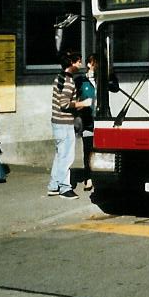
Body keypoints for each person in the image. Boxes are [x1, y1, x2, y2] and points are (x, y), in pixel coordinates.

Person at [48, 50, 84, 200]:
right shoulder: (69, 82)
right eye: (79, 61)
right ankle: (64, 188)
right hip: (65, 123)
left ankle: (53, 186)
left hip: (57, 122)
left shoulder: (60, 77)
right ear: (72, 63)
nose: (80, 64)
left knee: (59, 155)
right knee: (66, 157)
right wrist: (83, 103)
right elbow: (64, 104)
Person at [75, 54, 97, 191]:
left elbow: (115, 87)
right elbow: (74, 99)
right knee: (88, 150)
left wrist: (110, 73)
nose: (98, 66)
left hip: (102, 121)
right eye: (95, 63)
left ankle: (98, 177)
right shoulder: (81, 80)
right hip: (87, 121)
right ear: (89, 65)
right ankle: (88, 177)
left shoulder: (103, 79)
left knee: (100, 151)